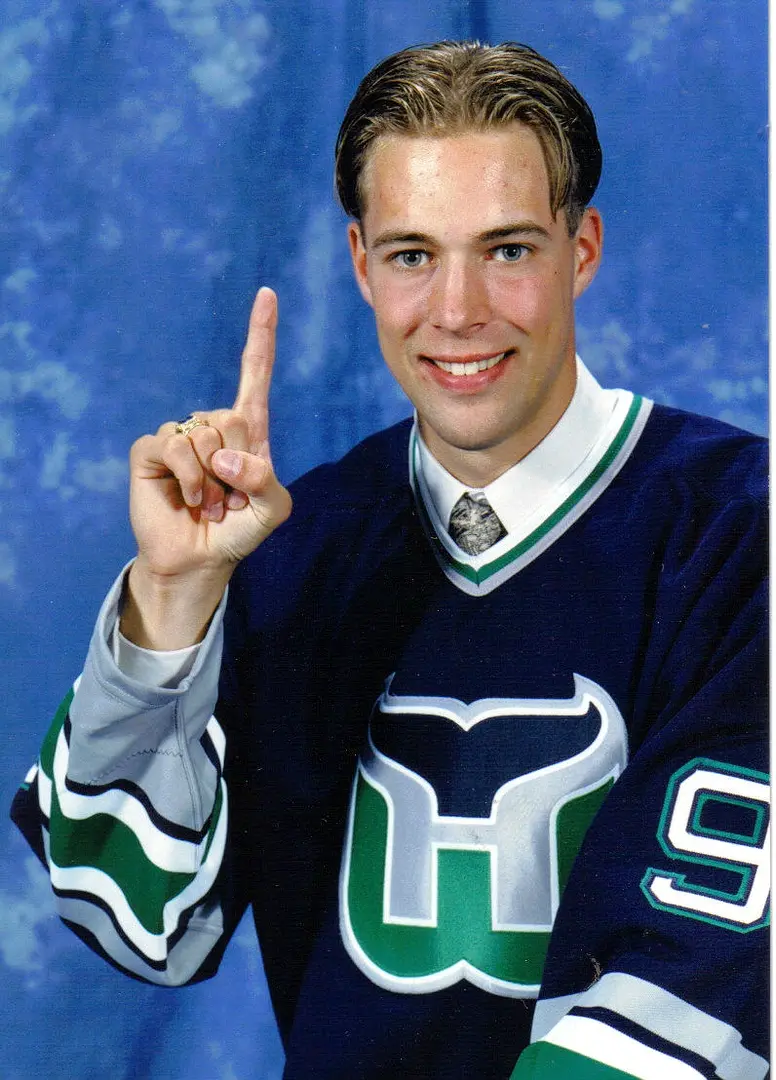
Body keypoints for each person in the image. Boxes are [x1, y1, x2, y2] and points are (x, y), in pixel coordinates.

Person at [12, 40, 768, 1080]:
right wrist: (174, 601)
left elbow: (699, 990)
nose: (455, 312)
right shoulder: (291, 544)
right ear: (361, 264)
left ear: (580, 249)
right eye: (413, 254)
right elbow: (138, 919)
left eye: (505, 249)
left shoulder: (737, 533)